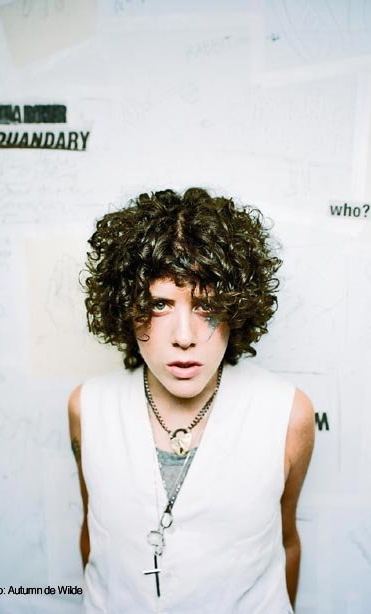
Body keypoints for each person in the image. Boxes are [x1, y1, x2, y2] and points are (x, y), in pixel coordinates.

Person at [68, 187, 315, 613]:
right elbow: (96, 540)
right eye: (159, 304)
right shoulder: (87, 408)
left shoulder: (288, 414)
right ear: (125, 306)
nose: (184, 337)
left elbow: (286, 541)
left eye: (207, 306)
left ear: (236, 309)